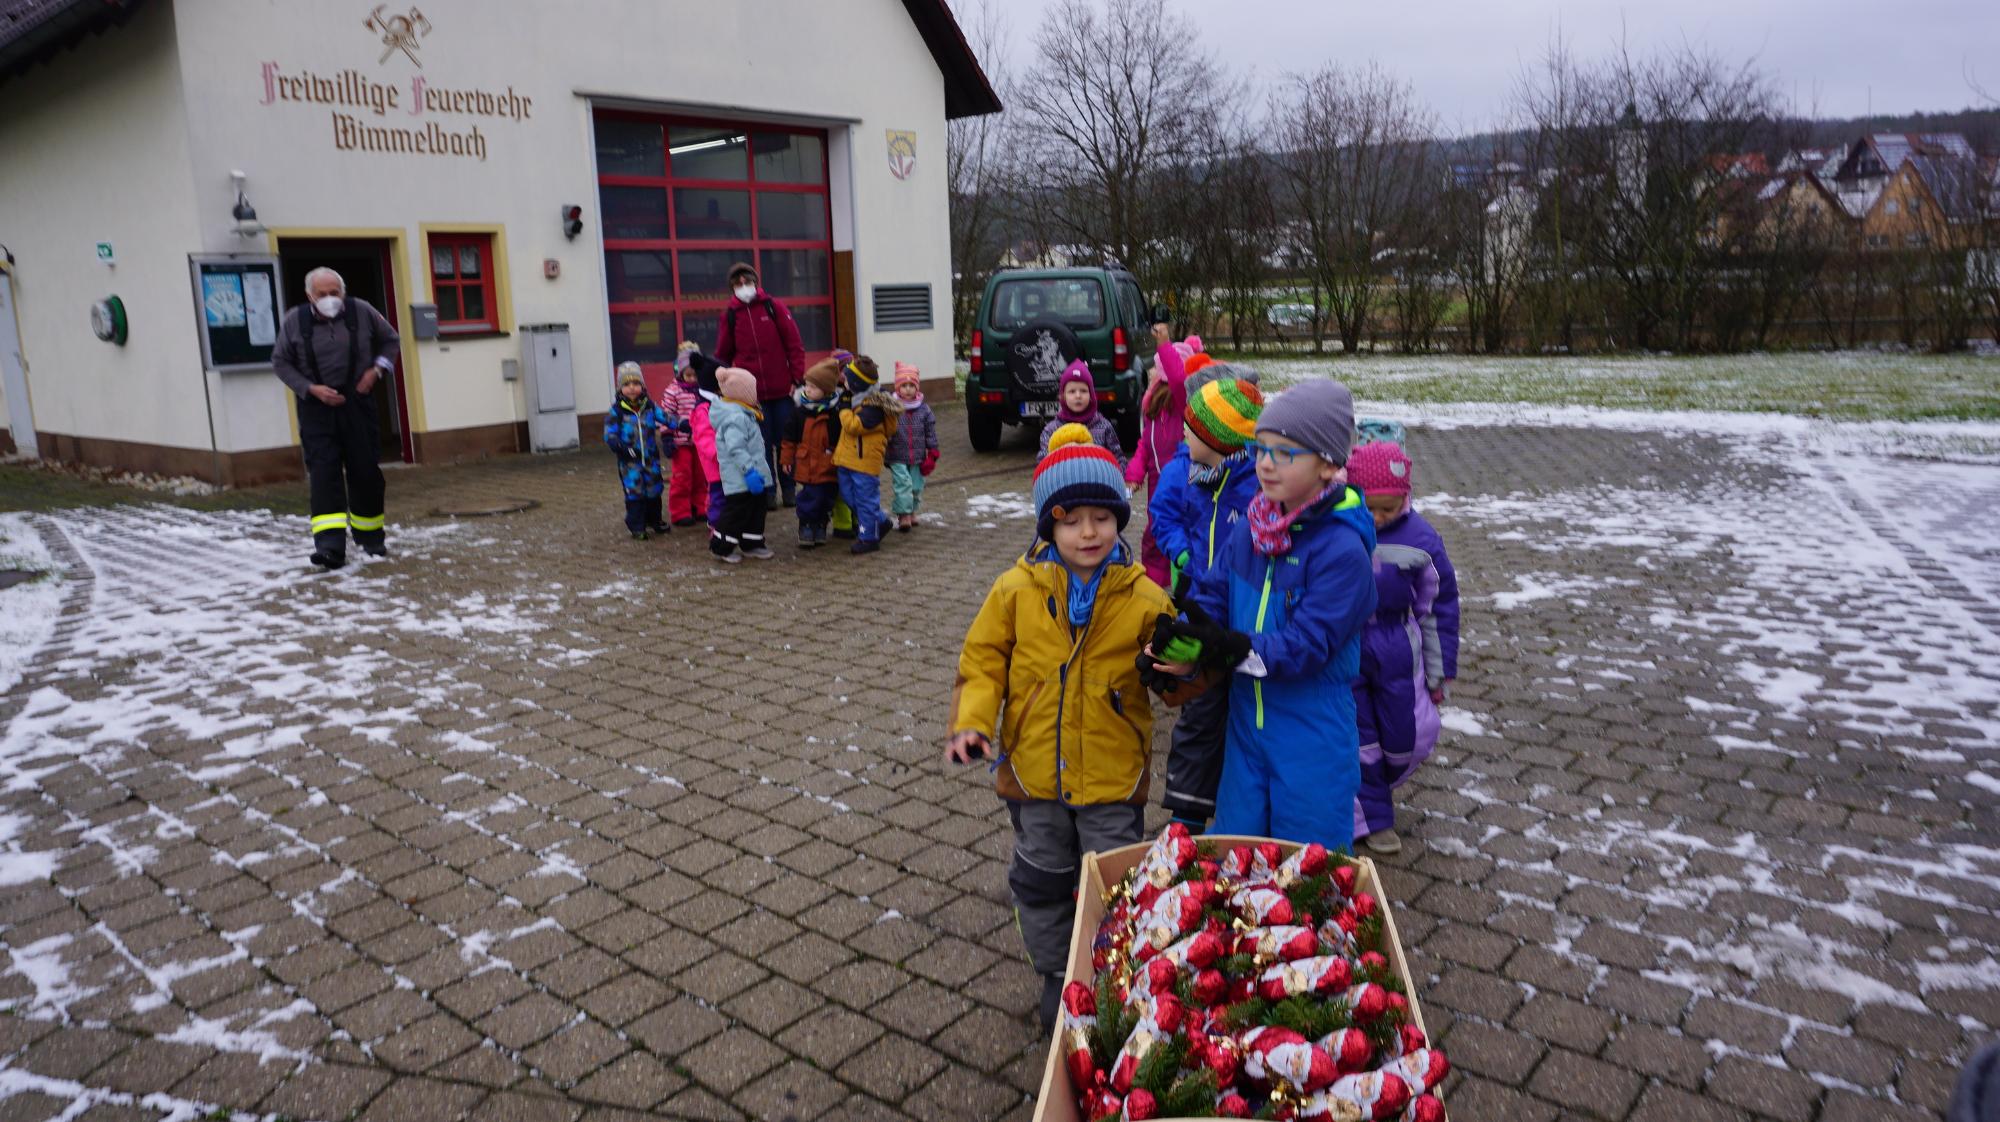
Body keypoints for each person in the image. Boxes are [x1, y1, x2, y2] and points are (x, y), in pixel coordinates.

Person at [944, 424, 1174, 1031]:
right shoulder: (1015, 590)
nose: (1089, 532)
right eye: (1071, 520)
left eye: (1102, 517)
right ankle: (1054, 974)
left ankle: (1108, 975)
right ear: (1049, 524)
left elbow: (1176, 675)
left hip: (1111, 775)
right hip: (1034, 773)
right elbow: (982, 662)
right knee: (1042, 882)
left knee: (1111, 884)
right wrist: (972, 723)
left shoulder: (1144, 596)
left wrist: (1183, 666)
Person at [1148, 380, 1378, 852]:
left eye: (1286, 453)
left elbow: (1310, 644)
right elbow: (1214, 591)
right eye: (1261, 449)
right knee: (1238, 854)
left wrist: (1232, 649)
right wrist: (1187, 643)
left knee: (1309, 866)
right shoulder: (1253, 527)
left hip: (1311, 737)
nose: (1266, 463)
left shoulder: (1341, 550)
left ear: (1329, 464)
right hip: (1246, 734)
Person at [1151, 376, 1265, 833]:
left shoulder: (1252, 489)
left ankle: (1242, 813)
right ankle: (1187, 812)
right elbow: (1173, 521)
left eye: (1191, 428)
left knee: (1240, 718)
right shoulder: (1198, 480)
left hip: (1244, 625)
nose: (1183, 434)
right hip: (1203, 604)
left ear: (1217, 440)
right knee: (1198, 714)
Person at [1345, 441, 1459, 855]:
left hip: (1397, 646)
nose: (1377, 518)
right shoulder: (1340, 527)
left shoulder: (1421, 539)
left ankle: (1377, 788)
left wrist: (1438, 668)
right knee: (1361, 738)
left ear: (1405, 498)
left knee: (1404, 734)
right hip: (1348, 645)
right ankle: (1372, 818)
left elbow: (1438, 607)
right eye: (1370, 507)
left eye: (1388, 509)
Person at [271, 267, 399, 570]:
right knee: (324, 474)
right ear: (309, 296)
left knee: (365, 472)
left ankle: (371, 538)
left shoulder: (363, 311)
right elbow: (280, 361)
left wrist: (376, 371)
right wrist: (309, 388)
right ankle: (330, 546)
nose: (329, 299)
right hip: (317, 408)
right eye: (322, 294)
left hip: (358, 404)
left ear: (343, 291)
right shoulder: (294, 321)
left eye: (334, 293)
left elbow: (390, 341)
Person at [713, 262, 805, 510]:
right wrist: (719, 383)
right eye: (738, 284)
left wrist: (797, 379)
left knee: (785, 441)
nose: (744, 287)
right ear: (732, 288)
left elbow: (794, 345)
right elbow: (723, 353)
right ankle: (767, 490)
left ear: (755, 282)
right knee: (758, 444)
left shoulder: (774, 307)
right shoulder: (730, 316)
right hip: (750, 397)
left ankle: (788, 488)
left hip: (781, 391)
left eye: (747, 282)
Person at [1125, 328, 1202, 585]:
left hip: (1185, 482)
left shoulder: (1185, 402)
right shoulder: (1153, 408)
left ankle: (1186, 584)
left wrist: (1164, 345)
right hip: (1157, 484)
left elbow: (1180, 380)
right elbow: (1144, 445)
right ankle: (1155, 587)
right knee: (1154, 536)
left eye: (1161, 368)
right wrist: (1134, 475)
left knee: (1180, 533)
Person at [831, 355, 901, 555]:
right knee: (848, 495)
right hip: (849, 459)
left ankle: (868, 538)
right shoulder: (857, 397)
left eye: (847, 379)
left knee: (864, 501)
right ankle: (880, 521)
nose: (843, 381)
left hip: (864, 461)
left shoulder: (874, 406)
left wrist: (844, 409)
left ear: (856, 384)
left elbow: (854, 426)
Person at [709, 366, 775, 563]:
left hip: (753, 474)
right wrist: (749, 471)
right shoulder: (735, 417)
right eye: (752, 390)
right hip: (741, 476)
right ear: (743, 393)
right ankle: (721, 546)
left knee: (756, 508)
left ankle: (752, 543)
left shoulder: (744, 412)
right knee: (737, 512)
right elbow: (736, 448)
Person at [603, 362, 673, 540]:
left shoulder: (649, 406)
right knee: (635, 493)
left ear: (642, 386)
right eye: (626, 385)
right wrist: (620, 447)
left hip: (650, 458)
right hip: (629, 462)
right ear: (620, 389)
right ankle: (636, 525)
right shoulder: (617, 411)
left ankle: (654, 520)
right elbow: (610, 435)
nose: (632, 388)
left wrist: (682, 423)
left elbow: (665, 417)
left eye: (636, 383)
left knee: (654, 490)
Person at [781, 357, 843, 548]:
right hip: (806, 463)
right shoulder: (799, 412)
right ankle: (806, 525)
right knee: (809, 496)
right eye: (807, 386)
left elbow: (839, 440)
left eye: (813, 387)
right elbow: (789, 439)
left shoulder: (834, 414)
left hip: (827, 463)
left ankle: (821, 523)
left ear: (826, 391)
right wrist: (786, 459)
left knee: (827, 496)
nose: (807, 390)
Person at [884, 362, 939, 532]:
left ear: (917, 387)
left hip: (917, 456)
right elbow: (886, 430)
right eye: (904, 386)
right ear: (897, 387)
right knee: (903, 484)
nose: (907, 389)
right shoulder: (892, 408)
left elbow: (930, 431)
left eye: (911, 386)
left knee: (916, 486)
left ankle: (912, 511)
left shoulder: (924, 409)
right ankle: (903, 515)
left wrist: (933, 452)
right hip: (897, 455)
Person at [1036, 361, 1123, 463]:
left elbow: (1118, 460)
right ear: (1063, 396)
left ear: (1091, 395)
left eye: (1083, 391)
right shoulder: (1051, 430)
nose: (1078, 396)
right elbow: (1043, 463)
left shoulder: (1104, 427)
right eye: (1072, 391)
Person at [661, 354, 707, 526]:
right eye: (689, 375)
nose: (693, 379)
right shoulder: (673, 391)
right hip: (680, 442)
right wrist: (667, 437)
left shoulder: (702, 390)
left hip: (700, 442)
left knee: (701, 476)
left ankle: (700, 506)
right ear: (680, 374)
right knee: (682, 477)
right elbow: (666, 415)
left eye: (696, 375)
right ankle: (680, 512)